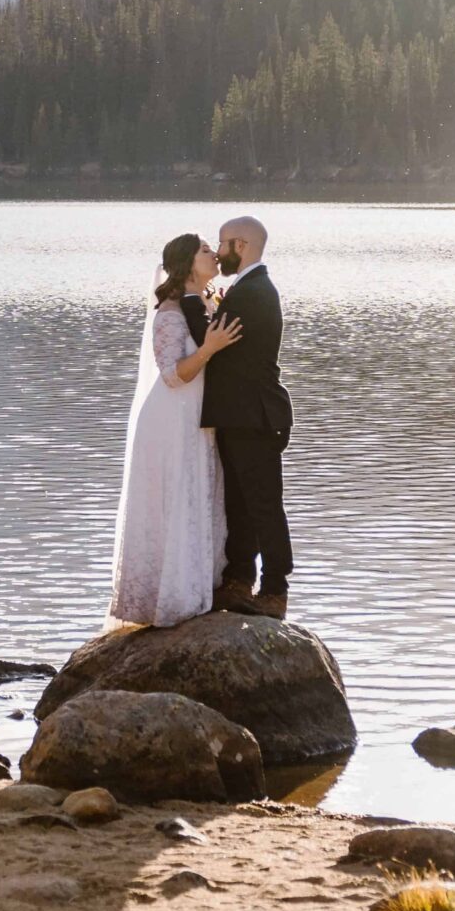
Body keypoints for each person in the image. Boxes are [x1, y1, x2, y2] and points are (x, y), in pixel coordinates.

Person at [105, 231, 244, 626]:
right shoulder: (169, 312)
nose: (214, 254)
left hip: (195, 417)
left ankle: (196, 589)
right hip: (170, 420)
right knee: (177, 499)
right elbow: (171, 375)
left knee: (197, 496)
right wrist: (209, 349)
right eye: (205, 250)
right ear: (187, 264)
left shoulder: (203, 301)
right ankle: (167, 601)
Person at [204, 215, 293, 617]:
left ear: (241, 246)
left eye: (222, 244)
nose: (218, 252)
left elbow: (208, 344)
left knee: (263, 504)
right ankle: (240, 581)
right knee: (240, 504)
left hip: (255, 415)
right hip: (240, 415)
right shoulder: (248, 289)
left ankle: (274, 589)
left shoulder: (254, 292)